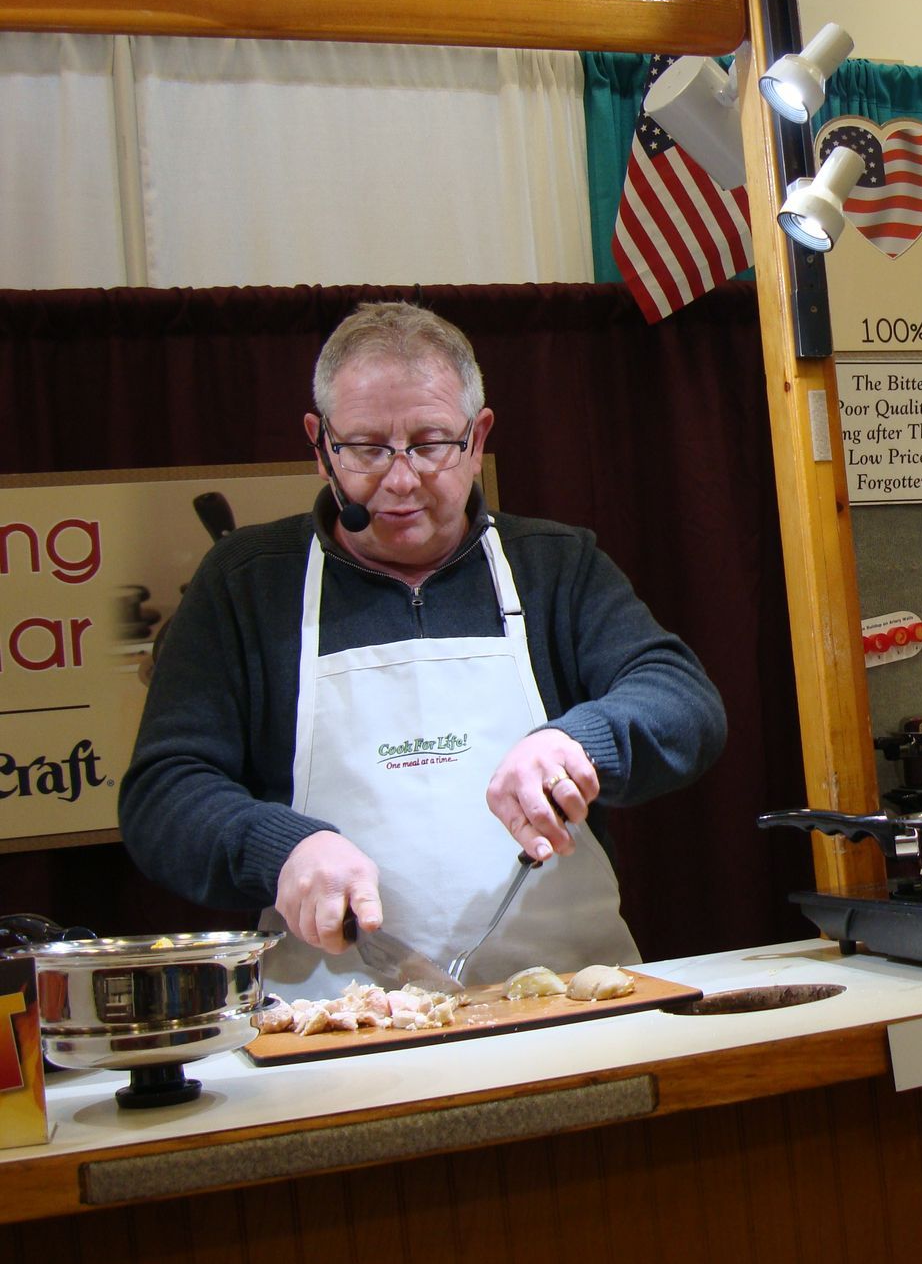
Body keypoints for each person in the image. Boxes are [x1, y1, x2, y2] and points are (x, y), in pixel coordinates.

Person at [120, 302, 727, 997]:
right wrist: (280, 848)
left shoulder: (555, 565)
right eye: (367, 449)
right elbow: (163, 793)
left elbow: (683, 700)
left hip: (567, 1000)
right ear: (319, 446)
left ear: (478, 439)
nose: (401, 480)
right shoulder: (247, 584)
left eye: (431, 443)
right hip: (339, 1016)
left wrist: (579, 743)